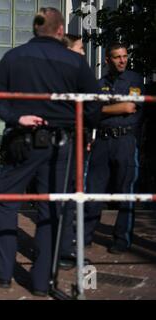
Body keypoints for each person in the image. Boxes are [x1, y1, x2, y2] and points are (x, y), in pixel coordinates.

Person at [0, 7, 101, 296]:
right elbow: (94, 105)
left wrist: (17, 117)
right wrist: (82, 130)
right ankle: (42, 282)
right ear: (60, 31)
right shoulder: (74, 61)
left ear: (35, 29)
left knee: (7, 200)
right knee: (51, 208)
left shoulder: (14, 57)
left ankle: (2, 271)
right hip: (62, 145)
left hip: (23, 140)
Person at [84, 42, 144, 254]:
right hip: (102, 142)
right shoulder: (98, 84)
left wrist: (103, 109)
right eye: (117, 57)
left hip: (125, 142)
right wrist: (112, 108)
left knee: (126, 193)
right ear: (108, 60)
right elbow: (90, 114)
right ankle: (85, 236)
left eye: (125, 56)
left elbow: (131, 106)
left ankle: (121, 239)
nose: (122, 60)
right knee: (93, 190)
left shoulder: (135, 80)